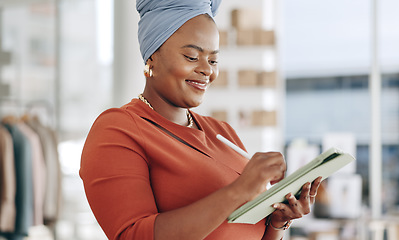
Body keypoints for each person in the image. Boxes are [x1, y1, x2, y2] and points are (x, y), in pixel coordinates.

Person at [79, 0, 322, 239]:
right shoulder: (118, 130)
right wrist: (239, 190)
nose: (207, 70)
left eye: (213, 60)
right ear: (152, 55)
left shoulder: (223, 133)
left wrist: (278, 221)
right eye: (192, 57)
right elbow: (133, 235)